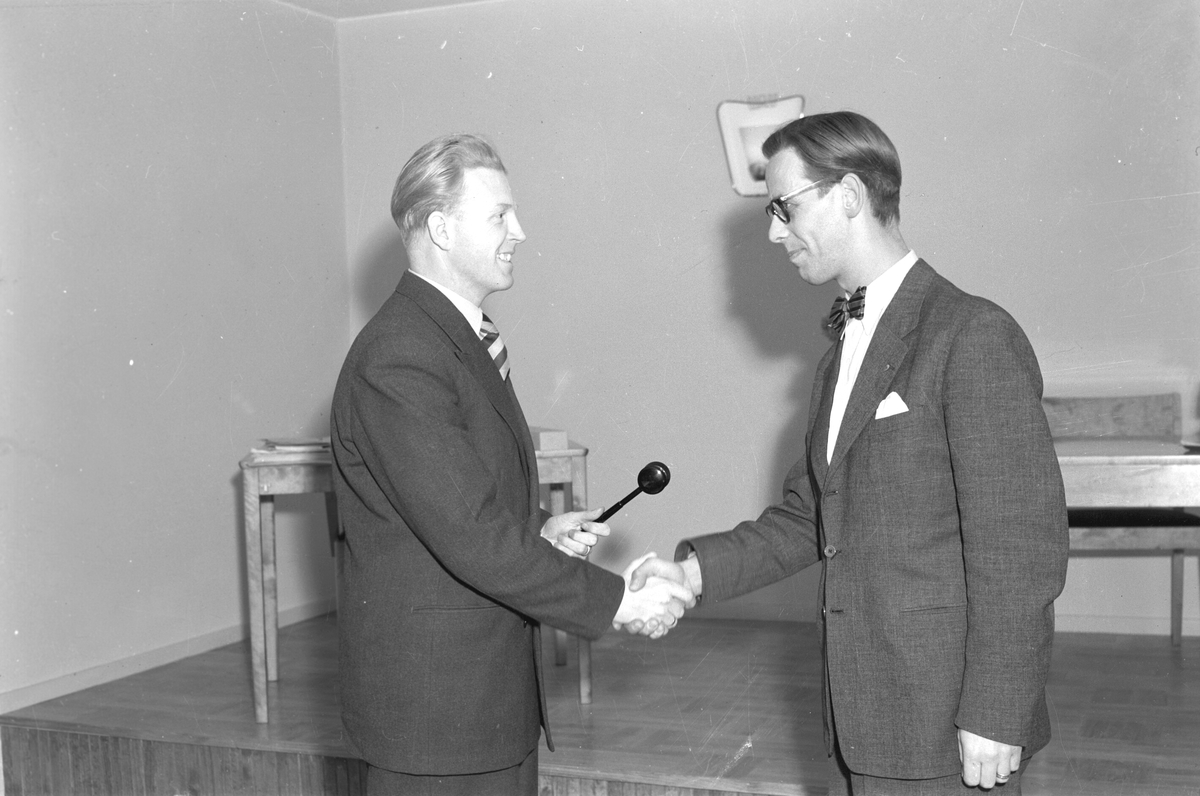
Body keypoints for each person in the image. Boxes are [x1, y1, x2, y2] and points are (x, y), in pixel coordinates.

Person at [634, 111, 1069, 794]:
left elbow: (1019, 550)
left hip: (950, 728)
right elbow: (813, 515)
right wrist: (689, 576)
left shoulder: (971, 333)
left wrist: (997, 711)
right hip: (867, 717)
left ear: (848, 195)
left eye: (783, 207)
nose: (774, 232)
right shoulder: (840, 354)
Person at [330, 133, 692, 795]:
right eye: (499, 215)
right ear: (441, 229)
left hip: (480, 704)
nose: (519, 231)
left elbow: (460, 503)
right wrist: (618, 601)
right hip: (436, 721)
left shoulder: (450, 339)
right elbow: (471, 534)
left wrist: (539, 533)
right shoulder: (400, 356)